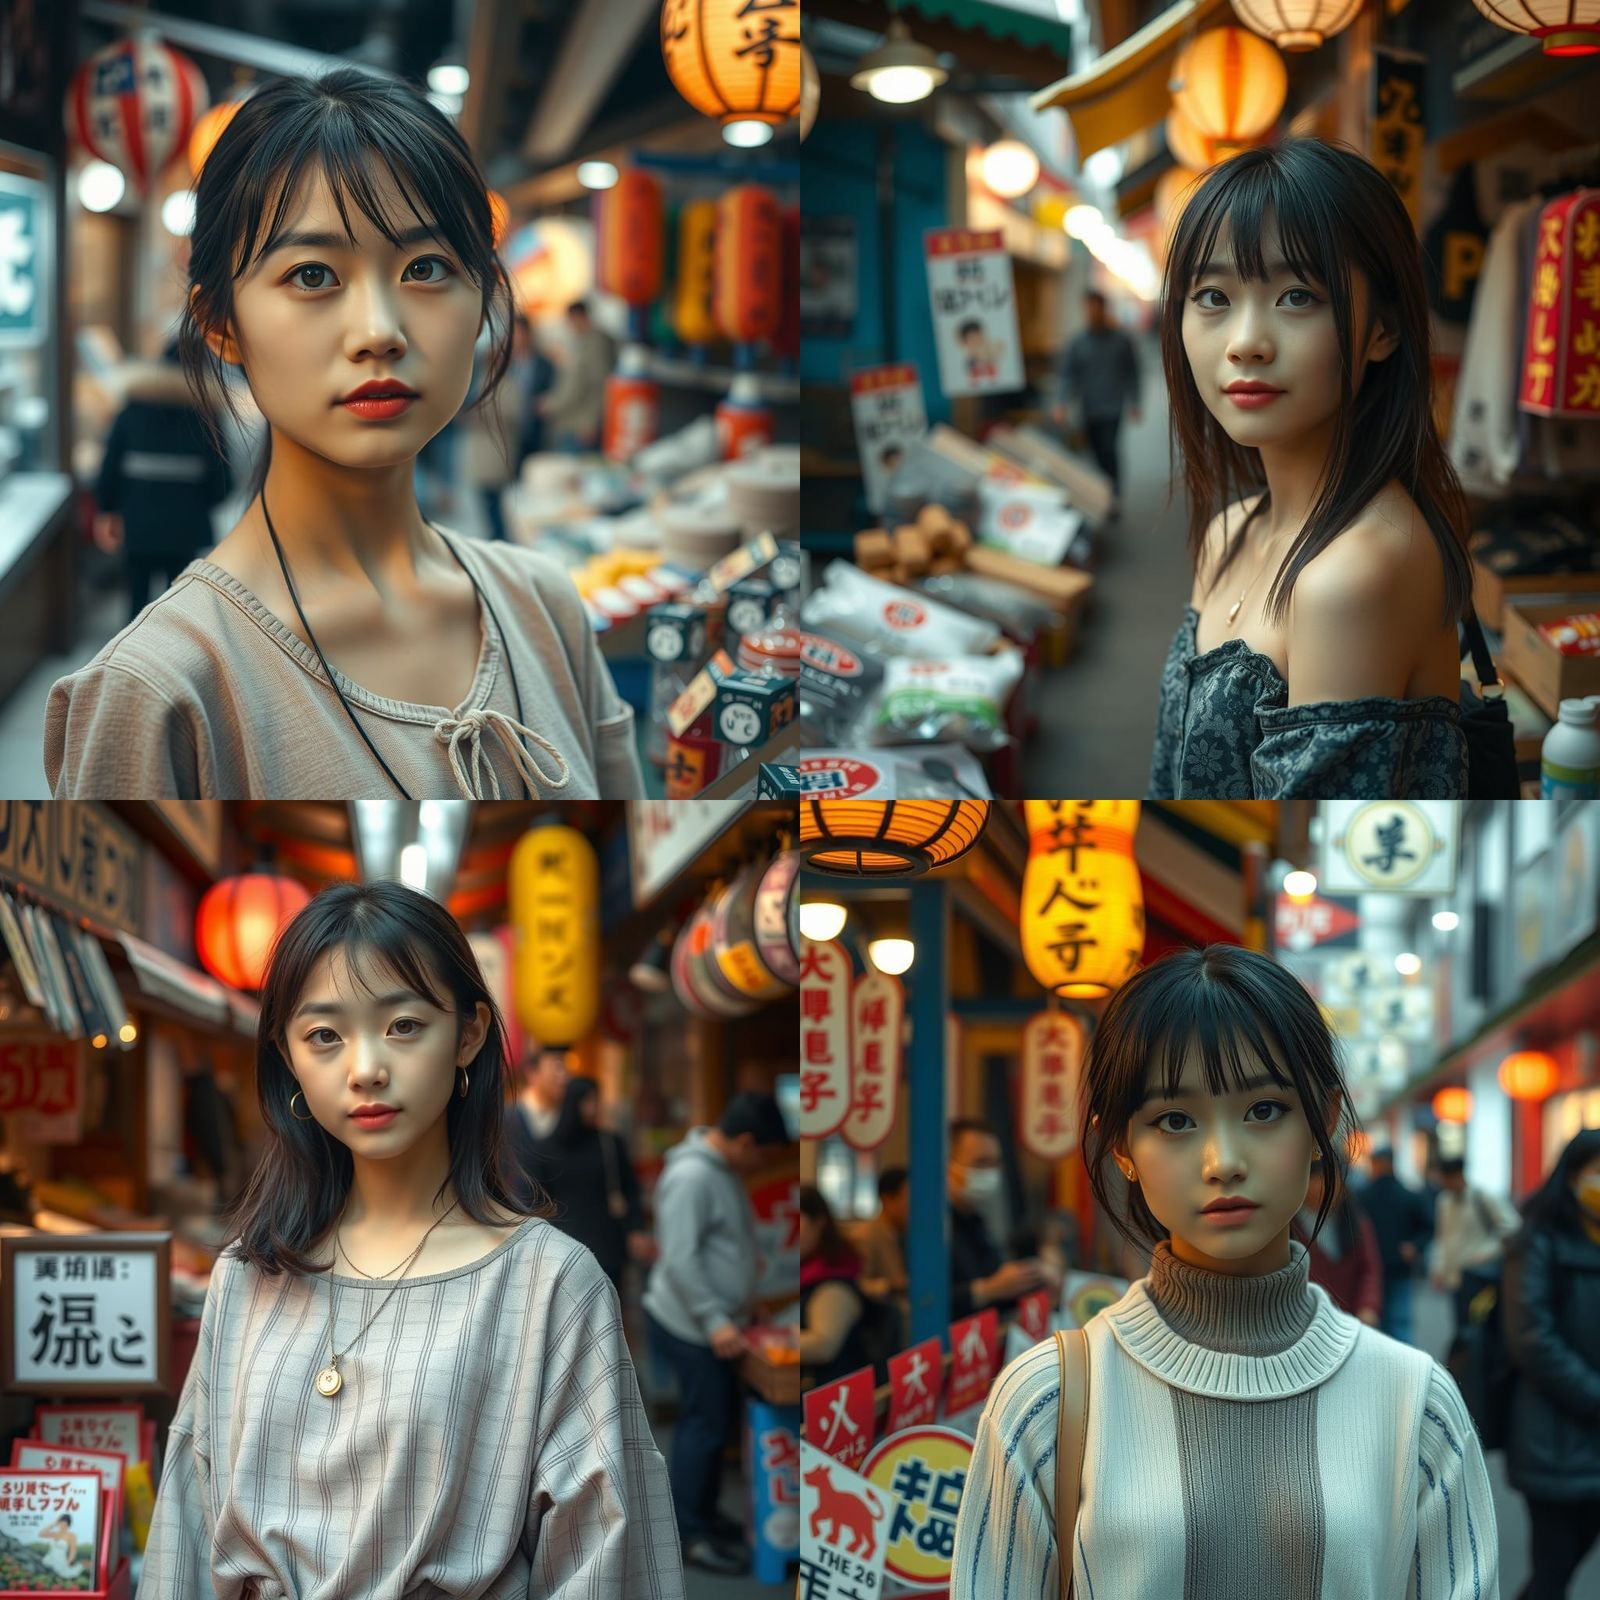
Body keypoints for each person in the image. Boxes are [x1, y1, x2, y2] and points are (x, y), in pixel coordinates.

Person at [46, 70, 643, 800]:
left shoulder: (544, 609)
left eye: (426, 267)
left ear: (483, 296)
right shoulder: (160, 690)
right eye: (312, 275)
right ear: (221, 325)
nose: (378, 331)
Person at [140, 880, 681, 1599]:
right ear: (288, 1057)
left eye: (402, 1025)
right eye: (324, 1035)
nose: (365, 1068)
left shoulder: (550, 1284)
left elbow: (606, 1558)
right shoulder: (246, 1276)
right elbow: (186, 1526)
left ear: (469, 1034)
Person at [952, 943, 1496, 1599]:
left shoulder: (1417, 1406)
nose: (1223, 1161)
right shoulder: (1045, 1401)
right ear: (1121, 1146)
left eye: (1264, 1110)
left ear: (1322, 1121)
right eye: (1174, 1120)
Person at [1147, 139, 1476, 801]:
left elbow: (1320, 847)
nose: (1245, 342)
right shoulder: (1228, 531)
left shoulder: (1350, 575)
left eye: (1297, 296)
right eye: (1212, 296)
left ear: (1383, 330)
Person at [642, 1091, 791, 1577]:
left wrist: (746, 1297)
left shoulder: (722, 1170)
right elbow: (680, 1259)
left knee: (714, 1422)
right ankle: (687, 1533)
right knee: (702, 1427)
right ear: (746, 1142)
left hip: (718, 1322)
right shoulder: (691, 1177)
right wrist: (715, 1319)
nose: (761, 1166)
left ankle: (702, 1514)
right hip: (689, 1325)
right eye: (763, 1156)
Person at [1503, 1128, 1600, 1600]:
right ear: (1573, 1177)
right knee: (1553, 1569)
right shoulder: (1537, 1241)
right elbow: (1532, 1338)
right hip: (1552, 1438)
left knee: (1572, 1556)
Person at [93, 335, 233, 625]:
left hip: (139, 524)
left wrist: (109, 509)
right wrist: (197, 505)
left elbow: (109, 470)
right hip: (185, 528)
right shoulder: (205, 417)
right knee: (178, 610)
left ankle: (131, 652)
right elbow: (223, 483)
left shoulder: (132, 411)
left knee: (136, 603)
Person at [511, 1075, 651, 1295]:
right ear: (571, 1103)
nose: (593, 1108)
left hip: (607, 1245)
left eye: (596, 1100)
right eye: (587, 1100)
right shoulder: (545, 1149)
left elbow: (629, 1189)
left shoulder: (610, 1144)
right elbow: (534, 1201)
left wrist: (635, 1228)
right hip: (562, 1246)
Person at [949, 1118, 1055, 1316]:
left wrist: (1031, 1277)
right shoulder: (929, 1227)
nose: (990, 1172)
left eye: (996, 1163)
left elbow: (997, 1280)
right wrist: (987, 1289)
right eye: (981, 1162)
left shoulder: (975, 1220)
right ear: (947, 1165)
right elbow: (924, 1299)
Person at [1052, 289, 1140, 518]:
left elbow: (1132, 372)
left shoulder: (1121, 341)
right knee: (1094, 453)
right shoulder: (1077, 342)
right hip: (1088, 408)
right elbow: (1068, 375)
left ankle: (1113, 496)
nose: (1092, 313)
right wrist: (1061, 403)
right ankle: (1101, 494)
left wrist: (1135, 402)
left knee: (1109, 451)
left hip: (1112, 407)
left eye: (1096, 308)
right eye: (1088, 309)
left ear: (1103, 309)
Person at [798, 1184, 873, 1390]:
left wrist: (775, 1342)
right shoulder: (808, 1268)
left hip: (835, 1395)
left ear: (819, 1222)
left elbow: (824, 1345)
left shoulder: (832, 1279)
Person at [1429, 1155, 1519, 1324]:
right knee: (1460, 1324)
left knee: (1479, 1324)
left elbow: (1512, 1226)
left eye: (1447, 1179)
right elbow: (1441, 1236)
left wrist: (1486, 1252)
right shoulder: (1443, 1200)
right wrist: (1438, 1267)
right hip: (1454, 1276)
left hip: (1479, 1274)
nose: (1445, 1184)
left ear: (1459, 1176)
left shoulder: (1481, 1196)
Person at [1359, 1144, 1434, 1343]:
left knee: (1378, 1326)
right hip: (1398, 1267)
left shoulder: (1362, 1196)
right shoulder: (1408, 1195)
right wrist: (1415, 1246)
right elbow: (1428, 1226)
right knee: (1399, 1323)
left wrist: (1415, 1246)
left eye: (1374, 1163)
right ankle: (1402, 1361)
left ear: (1383, 1164)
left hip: (1373, 1270)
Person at [1297, 1161, 1381, 1324]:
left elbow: (1368, 1269)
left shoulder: (1355, 1220)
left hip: (1348, 1319)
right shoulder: (1287, 1225)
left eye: (1334, 1177)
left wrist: (1367, 1306)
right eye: (1319, 1178)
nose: (1327, 1185)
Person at [539, 301, 613, 453]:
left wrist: (591, 422)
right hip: (573, 423)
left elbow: (599, 386)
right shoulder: (582, 342)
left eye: (571, 321)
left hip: (582, 426)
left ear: (579, 317)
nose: (570, 326)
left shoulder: (596, 344)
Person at [859, 1164, 910, 1301]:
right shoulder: (866, 1236)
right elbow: (858, 1286)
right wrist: (890, 1286)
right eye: (909, 1200)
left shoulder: (908, 1235)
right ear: (887, 1200)